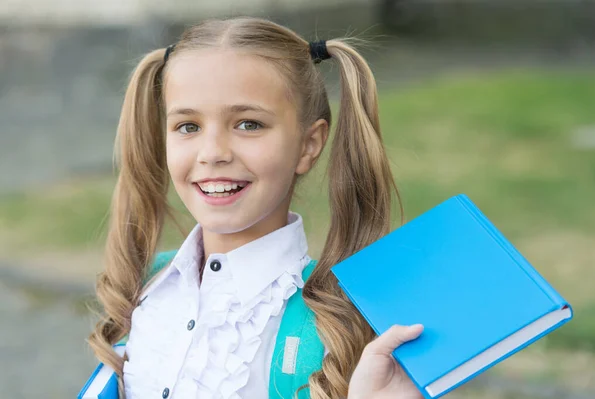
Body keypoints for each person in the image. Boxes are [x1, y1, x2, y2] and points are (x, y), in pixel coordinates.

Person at [87, 16, 424, 399]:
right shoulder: (144, 288)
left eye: (248, 124)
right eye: (188, 126)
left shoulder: (339, 328)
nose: (213, 153)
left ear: (308, 145)